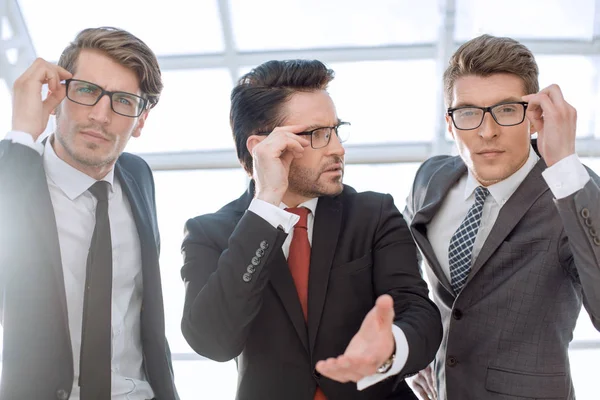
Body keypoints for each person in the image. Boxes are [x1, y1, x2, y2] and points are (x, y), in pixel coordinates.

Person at [180, 59, 442, 400]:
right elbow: (212, 341)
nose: (338, 148)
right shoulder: (209, 232)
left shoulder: (373, 214)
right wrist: (266, 205)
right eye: (317, 134)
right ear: (261, 148)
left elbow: (419, 313)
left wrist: (390, 347)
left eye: (336, 129)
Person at [403, 34, 600, 400]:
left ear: (534, 118)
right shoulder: (430, 179)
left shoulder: (573, 191)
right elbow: (399, 274)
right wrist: (414, 354)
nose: (487, 130)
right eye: (468, 113)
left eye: (507, 109)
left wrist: (566, 167)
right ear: (450, 124)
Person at [0, 27, 179, 399]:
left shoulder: (139, 176)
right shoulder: (15, 176)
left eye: (123, 101)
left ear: (141, 120)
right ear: (58, 95)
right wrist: (22, 135)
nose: (101, 116)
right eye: (86, 91)